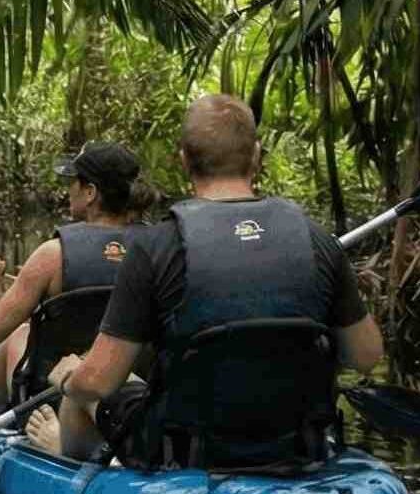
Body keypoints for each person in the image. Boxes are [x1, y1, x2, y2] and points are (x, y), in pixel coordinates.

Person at [31, 94, 383, 468]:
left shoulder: (157, 248)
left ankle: (65, 453)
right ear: (257, 156)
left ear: (183, 159)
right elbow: (365, 356)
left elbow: (99, 382)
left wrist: (70, 378)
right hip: (293, 445)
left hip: (187, 453)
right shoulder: (317, 241)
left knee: (81, 380)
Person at [0, 141, 147, 414]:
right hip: (132, 395)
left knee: (20, 334)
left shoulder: (51, 256)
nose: (68, 189)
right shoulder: (160, 248)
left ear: (90, 192)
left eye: (73, 182)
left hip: (51, 401)